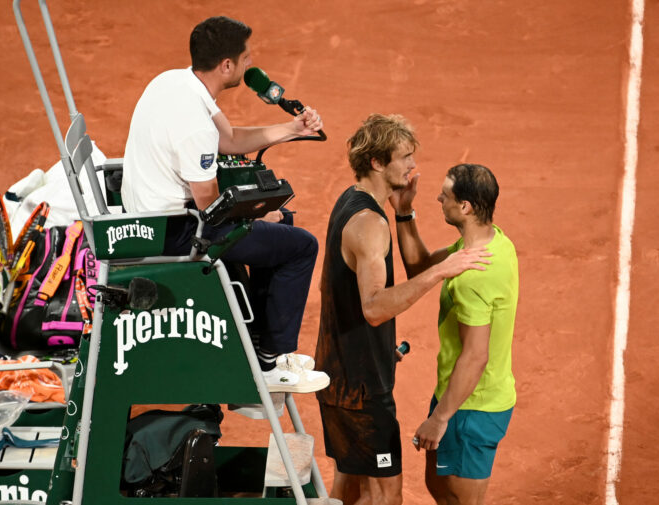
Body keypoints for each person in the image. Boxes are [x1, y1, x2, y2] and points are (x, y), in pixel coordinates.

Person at [121, 16, 328, 393]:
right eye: (247, 58)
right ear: (227, 66)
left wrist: (293, 129)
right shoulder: (194, 124)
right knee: (300, 246)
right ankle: (270, 365)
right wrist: (261, 211)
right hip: (174, 232)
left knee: (278, 226)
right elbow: (211, 209)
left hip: (151, 217)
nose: (252, 64)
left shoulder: (174, 81)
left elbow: (229, 139)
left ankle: (255, 344)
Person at [314, 114, 491, 505]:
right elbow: (374, 308)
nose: (413, 166)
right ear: (378, 163)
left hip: (342, 374)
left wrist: (404, 212)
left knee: (350, 486)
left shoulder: (352, 201)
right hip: (361, 389)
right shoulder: (368, 224)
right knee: (386, 494)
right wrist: (441, 272)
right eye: (405, 157)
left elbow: (336, 288)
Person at [411, 163, 518, 505]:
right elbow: (421, 266)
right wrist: (403, 215)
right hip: (456, 395)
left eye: (446, 194)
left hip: (471, 408)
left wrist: (440, 418)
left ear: (466, 207)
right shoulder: (493, 242)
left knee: (459, 501)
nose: (438, 197)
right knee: (439, 488)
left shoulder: (475, 276)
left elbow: (476, 355)